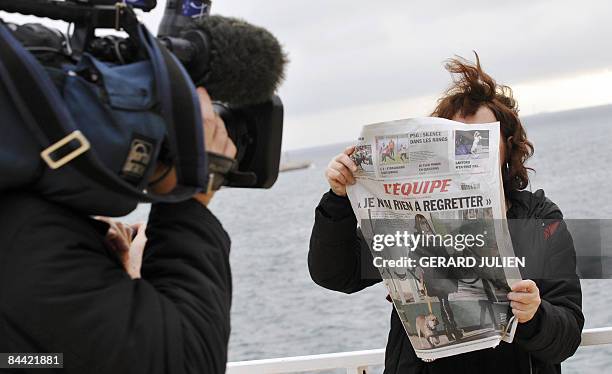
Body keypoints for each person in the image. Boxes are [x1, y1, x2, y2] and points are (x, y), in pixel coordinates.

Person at [308, 55, 583, 374]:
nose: (465, 150)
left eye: (479, 140)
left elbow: (567, 337)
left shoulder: (540, 220)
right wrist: (339, 199)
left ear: (507, 148)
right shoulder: (407, 217)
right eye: (453, 139)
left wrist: (535, 315)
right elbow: (334, 274)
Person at [0, 87, 237, 374]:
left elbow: (29, 359)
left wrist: (108, 273)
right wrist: (188, 200)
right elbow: (189, 362)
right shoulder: (26, 239)